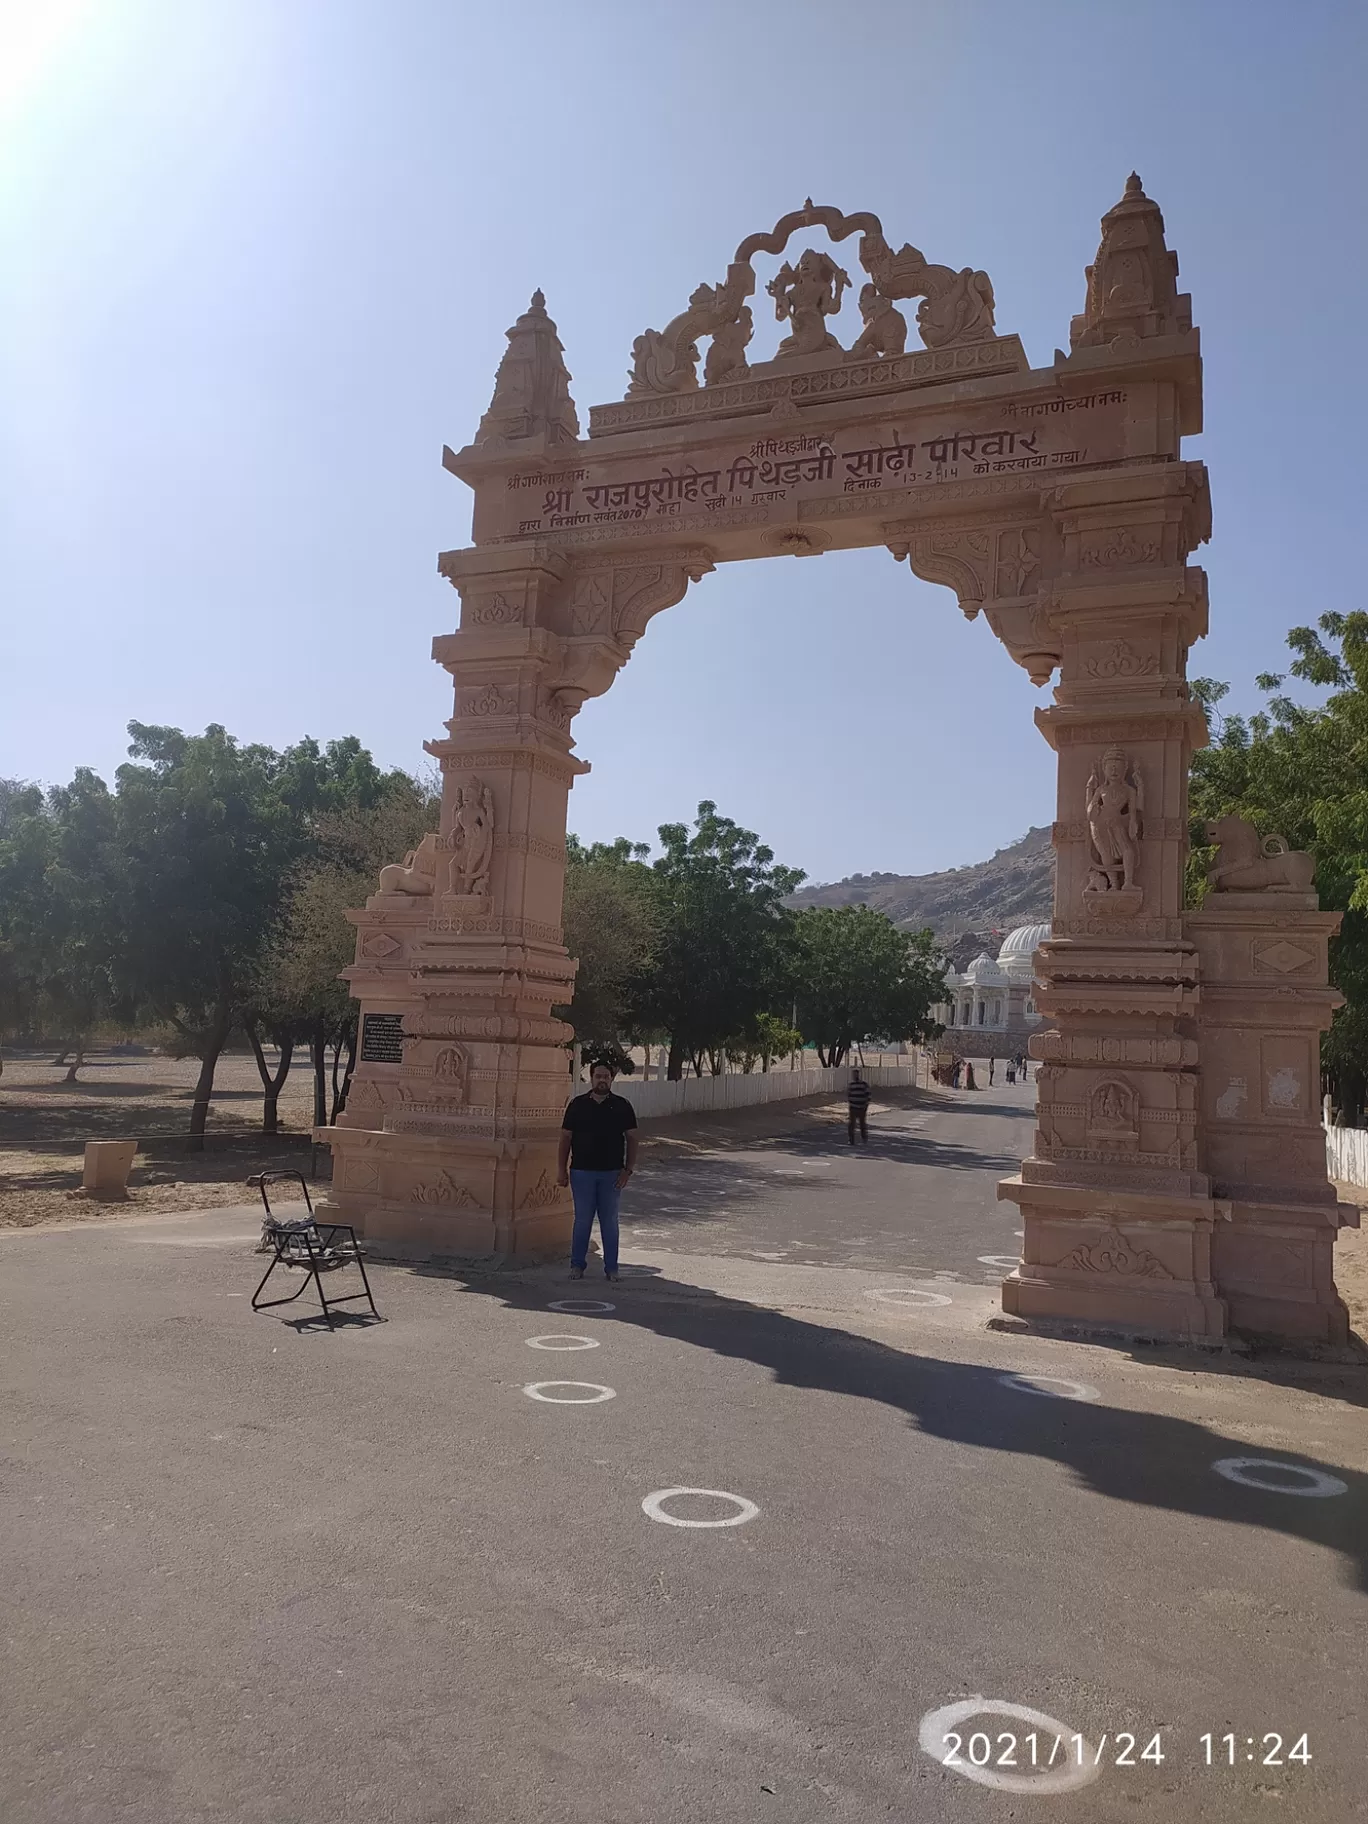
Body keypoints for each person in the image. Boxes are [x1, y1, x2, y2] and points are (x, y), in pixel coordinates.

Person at [557, 1061, 638, 1281]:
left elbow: (632, 1139)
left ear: (611, 1079)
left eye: (606, 1077)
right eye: (598, 1076)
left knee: (609, 1221)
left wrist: (627, 1170)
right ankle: (577, 1266)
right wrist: (561, 1170)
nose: (602, 1080)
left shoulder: (622, 1106)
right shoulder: (577, 1105)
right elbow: (565, 1138)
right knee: (582, 1220)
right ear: (591, 1078)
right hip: (581, 1172)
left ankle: (611, 1268)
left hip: (612, 1174)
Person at [847, 1068, 871, 1144]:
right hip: (853, 1108)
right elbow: (849, 1095)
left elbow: (868, 1096)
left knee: (862, 1124)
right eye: (854, 1074)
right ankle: (851, 1140)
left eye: (856, 1074)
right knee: (851, 1124)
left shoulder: (864, 1084)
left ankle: (864, 1138)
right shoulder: (851, 1085)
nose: (855, 1076)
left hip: (862, 1108)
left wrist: (866, 1105)